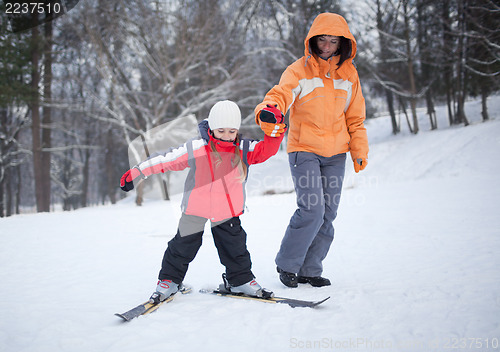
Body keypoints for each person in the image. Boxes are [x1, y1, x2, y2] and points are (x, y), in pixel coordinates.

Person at [120, 100, 287, 302]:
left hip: (228, 211)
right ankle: (169, 281)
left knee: (235, 248)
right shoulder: (197, 147)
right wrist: (138, 172)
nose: (226, 135)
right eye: (221, 130)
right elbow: (166, 159)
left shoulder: (243, 148)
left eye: (232, 131)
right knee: (182, 247)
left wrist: (274, 131)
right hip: (195, 209)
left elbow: (267, 150)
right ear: (212, 128)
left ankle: (240, 280)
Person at [254, 13, 369, 288]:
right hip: (304, 149)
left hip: (336, 154)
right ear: (313, 41)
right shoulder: (299, 70)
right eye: (322, 40)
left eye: (333, 41)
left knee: (328, 213)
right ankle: (288, 264)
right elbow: (281, 94)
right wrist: (270, 110)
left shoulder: (349, 75)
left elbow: (355, 117)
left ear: (343, 43)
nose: (327, 46)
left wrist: (358, 149)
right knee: (312, 210)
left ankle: (310, 269)